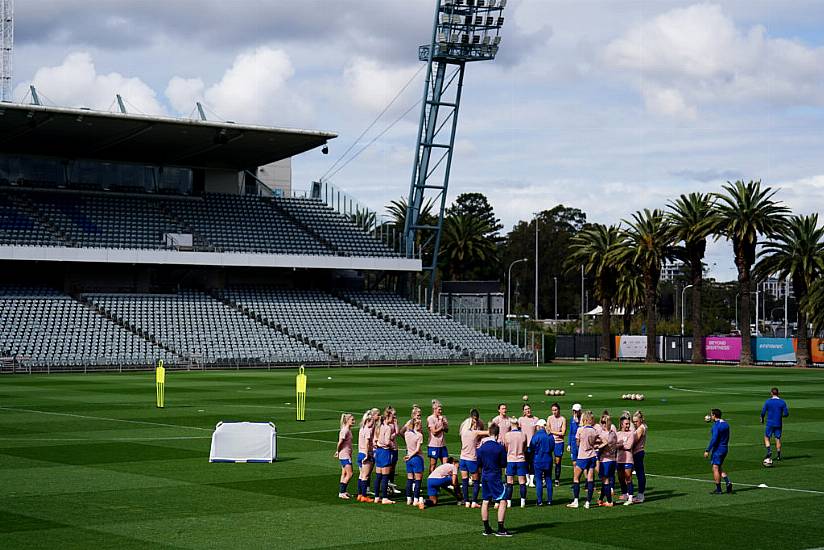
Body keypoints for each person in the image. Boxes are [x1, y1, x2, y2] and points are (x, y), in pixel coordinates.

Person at [477, 423, 512, 537]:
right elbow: (503, 463)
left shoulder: (481, 448)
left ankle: (487, 528)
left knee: (486, 501)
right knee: (503, 500)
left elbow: (479, 463)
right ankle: (501, 528)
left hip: (485, 475)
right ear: (497, 434)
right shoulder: (499, 448)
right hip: (495, 476)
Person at [567, 410, 598, 509]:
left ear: (584, 420)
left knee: (576, 478)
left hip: (582, 456)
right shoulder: (594, 430)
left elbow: (577, 443)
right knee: (590, 479)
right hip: (592, 456)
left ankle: (576, 501)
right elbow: (595, 442)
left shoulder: (580, 430)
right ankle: (588, 502)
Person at [459, 409, 488, 508]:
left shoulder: (463, 431)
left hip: (463, 458)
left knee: (464, 480)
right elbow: (488, 432)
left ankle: (466, 501)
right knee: (476, 480)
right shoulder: (474, 432)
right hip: (472, 459)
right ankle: (474, 501)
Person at [704, 408, 733, 495]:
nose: (710, 416)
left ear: (714, 415)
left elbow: (714, 439)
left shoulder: (716, 426)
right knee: (719, 467)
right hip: (725, 448)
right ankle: (727, 482)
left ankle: (719, 489)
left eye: (711, 414)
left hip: (718, 450)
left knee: (715, 468)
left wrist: (707, 450)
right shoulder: (725, 424)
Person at [374, 407, 398, 504]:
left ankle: (376, 497)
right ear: (389, 416)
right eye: (393, 416)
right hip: (385, 452)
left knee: (378, 476)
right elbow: (387, 442)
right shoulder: (387, 427)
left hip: (378, 451)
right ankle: (384, 498)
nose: (394, 418)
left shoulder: (379, 426)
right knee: (385, 476)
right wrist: (392, 446)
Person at [356, 408, 380, 502]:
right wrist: (367, 454)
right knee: (365, 476)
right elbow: (366, 443)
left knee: (361, 475)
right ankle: (364, 496)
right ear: (369, 421)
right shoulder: (368, 430)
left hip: (360, 453)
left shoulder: (362, 429)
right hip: (366, 453)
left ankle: (360, 494)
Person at [504, 417, 528, 507]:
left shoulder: (507, 435)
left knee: (509, 482)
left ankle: (509, 502)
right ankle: (523, 502)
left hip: (510, 460)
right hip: (521, 459)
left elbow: (506, 448)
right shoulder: (523, 434)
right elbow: (525, 447)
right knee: (522, 482)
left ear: (511, 424)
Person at [595, 411, 618, 507]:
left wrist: (596, 447)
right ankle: (600, 499)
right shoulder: (613, 433)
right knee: (606, 480)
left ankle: (609, 501)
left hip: (605, 460)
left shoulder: (604, 434)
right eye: (601, 421)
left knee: (605, 481)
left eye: (604, 422)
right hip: (613, 459)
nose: (602, 423)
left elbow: (601, 446)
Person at [761, 387, 789, 461]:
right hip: (778, 423)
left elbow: (763, 412)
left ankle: (769, 451)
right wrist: (780, 415)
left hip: (770, 423)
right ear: (778, 393)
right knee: (777, 438)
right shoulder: (782, 402)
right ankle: (779, 455)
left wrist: (762, 418)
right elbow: (786, 414)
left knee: (767, 437)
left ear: (771, 393)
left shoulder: (768, 402)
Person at [530, 418, 554, 506]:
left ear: (539, 426)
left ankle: (540, 501)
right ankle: (549, 500)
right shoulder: (550, 435)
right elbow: (552, 447)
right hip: (548, 459)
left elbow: (531, 447)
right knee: (548, 479)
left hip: (538, 460)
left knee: (539, 480)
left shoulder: (536, 436)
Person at [403, 417, 425, 508]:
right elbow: (417, 449)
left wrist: (408, 456)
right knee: (418, 480)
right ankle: (415, 499)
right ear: (417, 425)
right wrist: (411, 455)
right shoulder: (419, 435)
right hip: (416, 458)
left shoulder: (406, 433)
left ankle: (408, 499)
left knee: (410, 479)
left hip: (408, 459)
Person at [615, 416, 636, 505]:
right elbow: (614, 446)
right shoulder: (618, 433)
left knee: (628, 478)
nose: (628, 425)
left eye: (628, 424)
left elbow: (629, 446)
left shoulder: (631, 434)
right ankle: (624, 495)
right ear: (622, 424)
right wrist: (621, 444)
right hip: (619, 459)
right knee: (620, 478)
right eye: (626, 424)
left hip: (628, 459)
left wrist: (620, 444)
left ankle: (630, 497)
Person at [335, 413, 355, 499]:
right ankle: (342, 492)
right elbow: (340, 442)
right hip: (344, 455)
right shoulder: (345, 430)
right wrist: (338, 451)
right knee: (350, 474)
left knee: (344, 473)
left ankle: (343, 491)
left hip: (346, 454)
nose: (354, 421)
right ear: (347, 420)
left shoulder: (348, 430)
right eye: (352, 420)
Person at [518, 403, 539, 487]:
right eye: (526, 409)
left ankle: (531, 481)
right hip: (524, 445)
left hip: (533, 445)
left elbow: (538, 431)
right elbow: (518, 431)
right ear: (523, 411)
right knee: (525, 462)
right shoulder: (521, 419)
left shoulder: (535, 419)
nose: (528, 410)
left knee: (533, 462)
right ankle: (527, 479)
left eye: (529, 408)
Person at [547, 402, 567, 487]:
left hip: (559, 442)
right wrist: (553, 432)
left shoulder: (563, 419)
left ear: (559, 410)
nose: (554, 412)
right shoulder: (550, 418)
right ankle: (547, 478)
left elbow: (563, 432)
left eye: (555, 410)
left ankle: (557, 479)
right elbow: (547, 429)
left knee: (557, 461)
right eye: (553, 410)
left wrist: (552, 432)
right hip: (550, 441)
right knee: (548, 460)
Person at [427, 399, 449, 473]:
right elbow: (434, 432)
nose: (441, 411)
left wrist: (445, 424)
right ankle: (430, 479)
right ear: (434, 409)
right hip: (433, 445)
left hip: (442, 445)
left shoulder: (442, 418)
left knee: (445, 464)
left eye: (441, 410)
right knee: (433, 464)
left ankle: (444, 481)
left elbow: (447, 430)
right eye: (439, 410)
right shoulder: (430, 419)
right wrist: (442, 427)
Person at [631, 410, 647, 503]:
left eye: (636, 421)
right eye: (634, 421)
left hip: (638, 452)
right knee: (638, 473)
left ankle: (640, 495)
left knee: (640, 473)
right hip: (638, 452)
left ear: (641, 420)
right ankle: (637, 494)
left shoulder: (641, 428)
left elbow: (634, 440)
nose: (635, 423)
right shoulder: (642, 426)